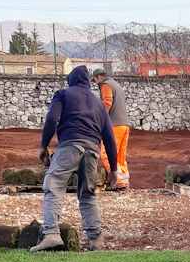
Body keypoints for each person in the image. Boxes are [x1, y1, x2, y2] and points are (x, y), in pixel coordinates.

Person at [31, 66, 118, 252]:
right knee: (88, 194)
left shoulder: (63, 94)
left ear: (71, 80)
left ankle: (51, 234)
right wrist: (114, 170)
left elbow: (52, 119)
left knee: (53, 185)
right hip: (92, 151)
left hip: (70, 146)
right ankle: (95, 240)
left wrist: (43, 146)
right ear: (88, 82)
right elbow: (109, 138)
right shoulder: (98, 103)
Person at [92, 69, 131, 190]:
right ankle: (123, 181)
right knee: (120, 156)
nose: (94, 82)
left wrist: (100, 121)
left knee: (106, 154)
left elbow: (107, 103)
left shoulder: (106, 85)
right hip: (124, 125)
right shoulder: (116, 85)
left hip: (114, 126)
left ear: (99, 77)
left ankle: (117, 182)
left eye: (94, 79)